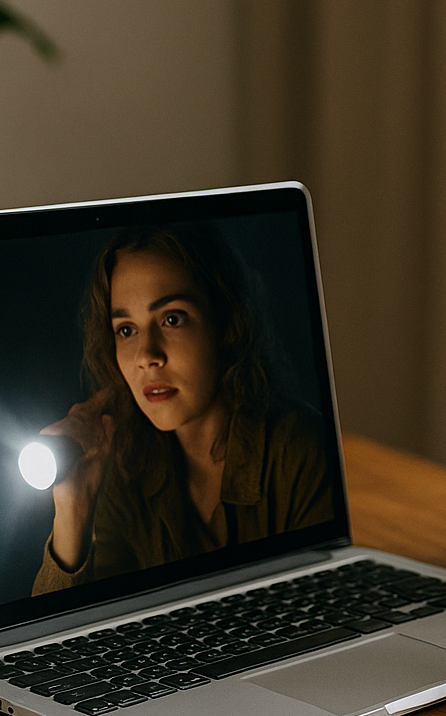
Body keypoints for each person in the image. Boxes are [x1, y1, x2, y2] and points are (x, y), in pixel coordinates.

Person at [33, 224, 333, 595]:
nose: (147, 356)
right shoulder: (124, 468)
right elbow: (74, 644)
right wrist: (71, 511)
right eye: (126, 330)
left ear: (225, 323)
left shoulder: (302, 452)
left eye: (172, 319)